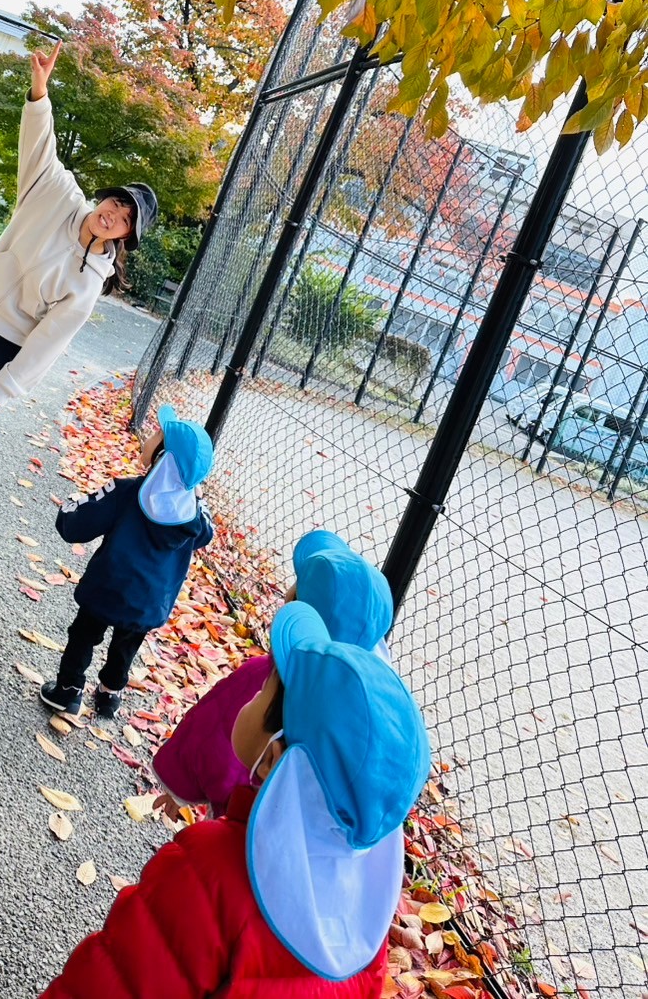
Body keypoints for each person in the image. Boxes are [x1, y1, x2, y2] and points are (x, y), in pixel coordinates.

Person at [41, 600, 430, 997]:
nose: (252, 694)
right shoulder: (368, 913)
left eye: (262, 690)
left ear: (272, 760)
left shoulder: (210, 867)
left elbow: (117, 981)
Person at [0, 39, 158, 550]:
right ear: (104, 199)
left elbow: (50, 340)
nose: (113, 214)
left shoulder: (89, 281)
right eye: (116, 203)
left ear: (124, 236)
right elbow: (40, 146)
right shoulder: (57, 193)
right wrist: (40, 92)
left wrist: (8, 385)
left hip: (9, 342)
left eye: (124, 219)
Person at [152, 528, 394, 819]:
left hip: (239, 817)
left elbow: (211, 730)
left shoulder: (266, 677)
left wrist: (181, 787)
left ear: (295, 605)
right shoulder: (360, 716)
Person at [40, 404, 214, 720]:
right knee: (127, 644)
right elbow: (205, 535)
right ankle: (110, 693)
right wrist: (197, 498)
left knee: (83, 635)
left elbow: (76, 525)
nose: (148, 437)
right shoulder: (194, 517)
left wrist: (69, 508)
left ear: (162, 457)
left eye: (156, 435)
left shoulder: (126, 492)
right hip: (150, 601)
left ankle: (68, 690)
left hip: (106, 586)